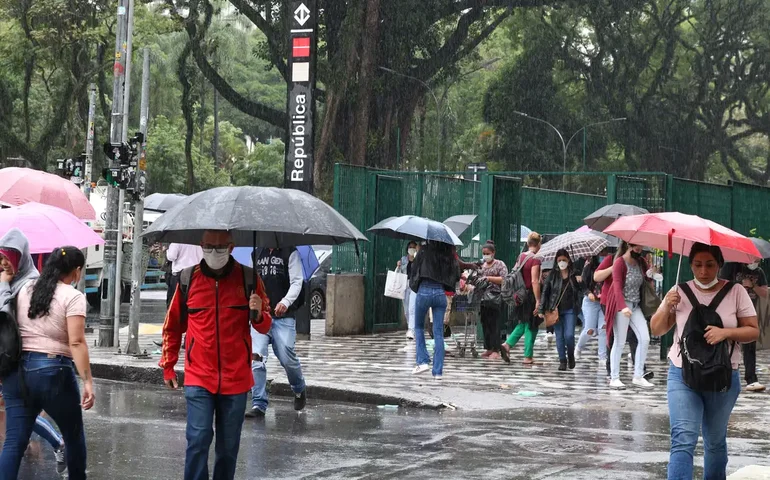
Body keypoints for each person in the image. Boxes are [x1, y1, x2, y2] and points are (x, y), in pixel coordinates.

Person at [160, 230, 272, 480]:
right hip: (199, 375)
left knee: (228, 447)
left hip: (236, 378)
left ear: (231, 248)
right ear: (201, 246)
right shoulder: (188, 278)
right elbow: (172, 325)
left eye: (220, 247)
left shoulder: (249, 278)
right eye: (209, 246)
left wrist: (258, 312)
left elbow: (265, 326)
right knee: (198, 439)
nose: (214, 252)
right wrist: (168, 365)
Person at [651, 243, 759, 480]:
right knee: (682, 438)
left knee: (715, 441)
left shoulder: (736, 292)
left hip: (722, 376)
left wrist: (726, 333)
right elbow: (657, 329)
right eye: (698, 265)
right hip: (682, 373)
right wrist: (666, 306)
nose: (703, 271)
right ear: (690, 265)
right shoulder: (678, 291)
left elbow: (753, 331)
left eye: (710, 265)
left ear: (719, 264)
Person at [0, 245, 94, 479]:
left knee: (13, 442)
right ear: (77, 270)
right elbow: (76, 342)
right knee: (73, 436)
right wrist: (87, 382)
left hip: (17, 373)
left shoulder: (25, 289)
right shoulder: (73, 296)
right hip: (52, 371)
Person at [247, 247, 308, 418]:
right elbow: (250, 284)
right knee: (256, 358)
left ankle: (299, 388)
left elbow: (297, 282)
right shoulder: (256, 254)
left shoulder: (290, 253)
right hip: (261, 317)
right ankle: (258, 403)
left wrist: (285, 302)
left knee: (286, 356)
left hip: (284, 317)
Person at [605, 242, 654, 389]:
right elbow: (617, 286)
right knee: (619, 341)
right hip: (622, 304)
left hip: (636, 305)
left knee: (645, 338)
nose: (639, 251)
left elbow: (646, 280)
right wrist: (622, 307)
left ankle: (638, 376)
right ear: (628, 245)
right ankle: (614, 377)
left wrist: (650, 274)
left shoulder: (641, 261)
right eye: (636, 248)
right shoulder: (619, 262)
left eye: (641, 248)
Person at [409, 240, 461, 379]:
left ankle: (422, 362)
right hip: (440, 293)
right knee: (438, 332)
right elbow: (456, 274)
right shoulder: (447, 253)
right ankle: (438, 372)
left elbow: (414, 270)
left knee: (418, 327)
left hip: (424, 290)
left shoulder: (424, 250)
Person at [720, 261, 767, 392]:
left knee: (750, 345)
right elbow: (721, 286)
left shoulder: (759, 272)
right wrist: (739, 285)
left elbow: (765, 292)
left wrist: (753, 286)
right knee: (726, 344)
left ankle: (751, 379)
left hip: (749, 311)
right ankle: (722, 375)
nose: (756, 261)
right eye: (755, 258)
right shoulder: (732, 267)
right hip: (730, 310)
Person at [500, 232, 543, 365]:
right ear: (539, 244)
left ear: (528, 243)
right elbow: (534, 281)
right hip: (530, 295)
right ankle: (527, 356)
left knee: (524, 322)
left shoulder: (521, 256)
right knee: (532, 324)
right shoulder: (535, 259)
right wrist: (538, 300)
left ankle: (507, 345)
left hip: (520, 295)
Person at [538, 249, 582, 371]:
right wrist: (541, 309)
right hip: (555, 310)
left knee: (569, 335)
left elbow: (581, 290)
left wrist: (579, 280)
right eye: (559, 260)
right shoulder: (552, 275)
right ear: (556, 261)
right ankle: (562, 360)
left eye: (564, 260)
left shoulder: (574, 274)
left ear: (568, 260)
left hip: (570, 309)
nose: (562, 262)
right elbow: (545, 292)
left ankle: (571, 355)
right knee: (559, 336)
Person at [576, 252, 608, 362]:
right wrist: (588, 293)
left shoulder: (610, 264)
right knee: (589, 329)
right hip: (590, 301)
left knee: (603, 328)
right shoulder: (589, 264)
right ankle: (579, 347)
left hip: (604, 301)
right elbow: (583, 283)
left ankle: (602, 356)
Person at [478, 242, 507, 360]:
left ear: (493, 253)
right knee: (485, 323)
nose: (486, 256)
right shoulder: (482, 266)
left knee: (495, 323)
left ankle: (496, 349)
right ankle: (488, 347)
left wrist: (489, 278)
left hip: (496, 297)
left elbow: (504, 279)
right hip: (483, 298)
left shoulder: (500, 264)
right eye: (484, 253)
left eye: (488, 253)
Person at [165, 243, 204, 307]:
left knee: (175, 300)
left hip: (179, 273)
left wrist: (167, 250)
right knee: (193, 298)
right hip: (195, 272)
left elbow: (171, 257)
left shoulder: (176, 241)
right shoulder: (198, 241)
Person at [397, 241, 418, 340]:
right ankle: (411, 326)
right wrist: (398, 266)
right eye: (410, 247)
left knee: (412, 308)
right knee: (406, 309)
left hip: (414, 285)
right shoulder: (403, 259)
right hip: (404, 284)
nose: (412, 249)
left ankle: (411, 329)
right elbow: (400, 272)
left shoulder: (418, 259)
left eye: (414, 247)